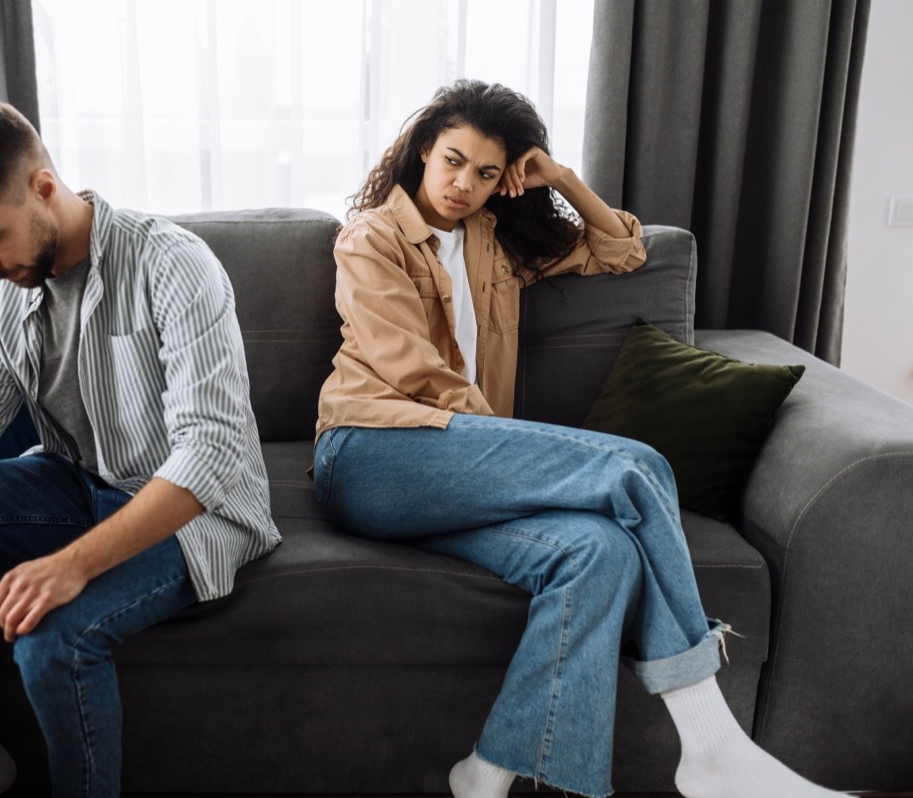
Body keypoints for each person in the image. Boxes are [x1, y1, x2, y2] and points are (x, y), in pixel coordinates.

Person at [311, 80, 845, 798]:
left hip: (458, 475)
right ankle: (713, 747)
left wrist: (559, 178)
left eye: (486, 172)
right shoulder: (371, 237)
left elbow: (620, 250)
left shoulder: (493, 243)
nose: (463, 183)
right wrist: (507, 447)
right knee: (636, 467)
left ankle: (489, 773)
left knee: (602, 552)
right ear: (421, 152)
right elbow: (409, 367)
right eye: (452, 160)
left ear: (507, 181)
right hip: (372, 454)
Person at [0, 97, 280, 798]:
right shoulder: (2, 293)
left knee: (53, 638)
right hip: (76, 483)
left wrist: (71, 566)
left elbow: (209, 454)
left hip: (192, 512)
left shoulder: (173, 262)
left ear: (42, 188)